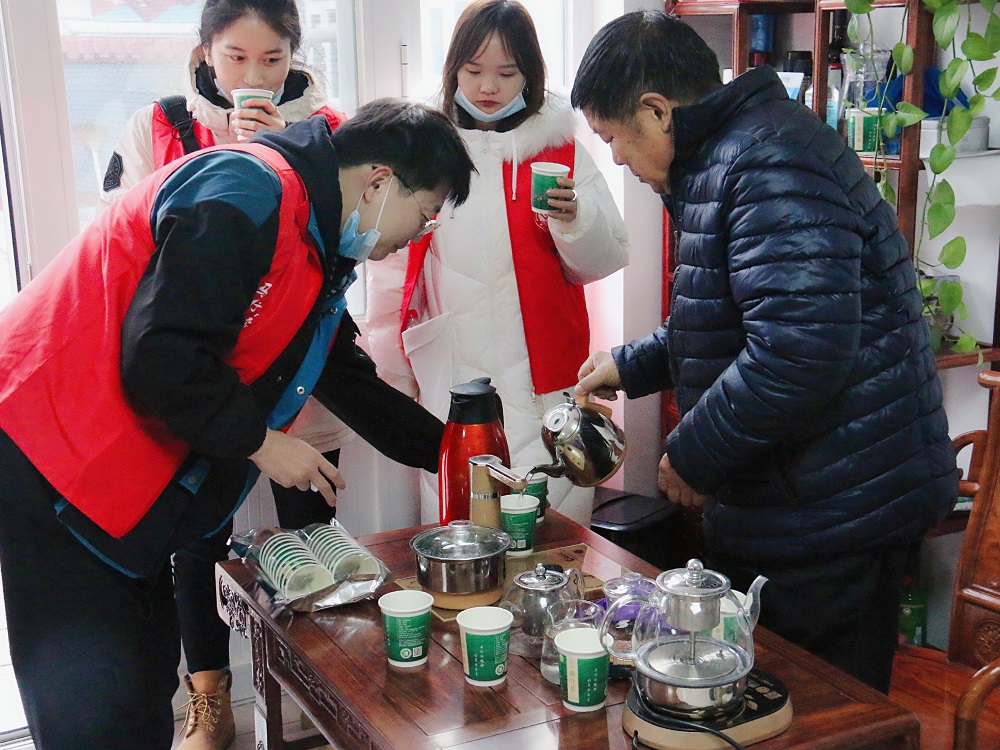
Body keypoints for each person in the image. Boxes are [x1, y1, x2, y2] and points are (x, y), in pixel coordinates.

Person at [0, 98, 474, 750]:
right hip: (52, 454)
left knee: (140, 690)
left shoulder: (320, 242)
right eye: (424, 215)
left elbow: (344, 377)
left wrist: (456, 454)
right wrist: (262, 443)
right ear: (379, 182)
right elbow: (162, 357)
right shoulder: (243, 192)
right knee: (96, 708)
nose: (418, 235)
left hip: (121, 477)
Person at [571, 10, 957, 693]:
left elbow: (798, 350)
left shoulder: (767, 160)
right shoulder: (731, 156)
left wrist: (694, 454)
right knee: (775, 701)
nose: (619, 160)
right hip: (808, 493)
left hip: (837, 506)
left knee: (823, 712)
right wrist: (631, 365)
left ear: (656, 111)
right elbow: (737, 318)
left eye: (614, 139)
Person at [98, 3, 353, 745]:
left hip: (296, 369)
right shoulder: (158, 126)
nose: (253, 76)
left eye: (272, 59)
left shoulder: (328, 128)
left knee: (311, 527)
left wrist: (286, 157)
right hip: (194, 376)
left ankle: (322, 690)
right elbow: (126, 244)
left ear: (295, 54)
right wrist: (232, 168)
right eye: (236, 57)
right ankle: (209, 698)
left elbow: (349, 250)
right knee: (196, 539)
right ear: (205, 52)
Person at [366, 0, 629, 527]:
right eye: (473, 70)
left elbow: (604, 259)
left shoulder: (559, 148)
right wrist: (391, 374)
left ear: (530, 75)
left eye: (507, 73)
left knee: (549, 522)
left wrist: (574, 220)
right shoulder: (424, 149)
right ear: (452, 70)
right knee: (461, 519)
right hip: (451, 365)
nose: (489, 86)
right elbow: (391, 270)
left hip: (542, 373)